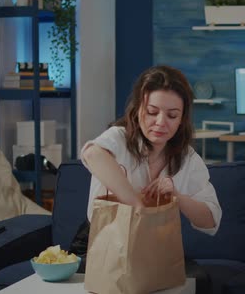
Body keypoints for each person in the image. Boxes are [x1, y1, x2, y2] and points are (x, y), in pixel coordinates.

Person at [81, 65, 222, 234]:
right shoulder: (119, 137)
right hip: (105, 243)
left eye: (172, 115)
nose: (161, 122)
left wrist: (176, 196)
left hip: (154, 246)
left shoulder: (187, 158)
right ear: (138, 109)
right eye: (152, 112)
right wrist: (138, 206)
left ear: (182, 119)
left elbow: (210, 220)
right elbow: (92, 154)